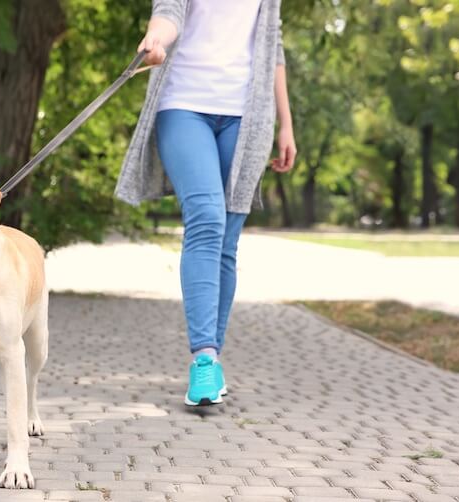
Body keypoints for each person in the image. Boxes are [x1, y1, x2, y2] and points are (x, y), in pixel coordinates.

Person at [115, 0, 296, 406]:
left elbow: (273, 42)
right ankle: (203, 359)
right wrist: (155, 40)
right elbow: (169, 11)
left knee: (226, 243)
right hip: (183, 105)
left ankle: (213, 359)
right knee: (207, 219)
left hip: (248, 117)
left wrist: (286, 124)